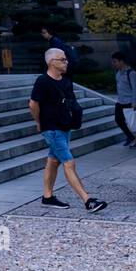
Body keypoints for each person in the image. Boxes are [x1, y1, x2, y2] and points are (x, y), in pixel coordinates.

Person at [29, 48, 107, 212]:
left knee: (53, 160)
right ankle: (87, 200)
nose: (66, 62)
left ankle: (47, 197)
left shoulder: (66, 81)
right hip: (51, 128)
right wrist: (39, 122)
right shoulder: (42, 81)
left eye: (66, 59)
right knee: (69, 162)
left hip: (65, 125)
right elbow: (33, 104)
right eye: (62, 59)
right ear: (51, 62)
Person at [111, 52, 136, 148]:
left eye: (115, 62)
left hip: (130, 101)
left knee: (135, 121)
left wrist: (134, 102)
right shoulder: (118, 73)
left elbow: (135, 89)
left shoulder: (131, 73)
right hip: (120, 101)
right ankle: (131, 137)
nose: (113, 64)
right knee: (119, 120)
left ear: (122, 61)